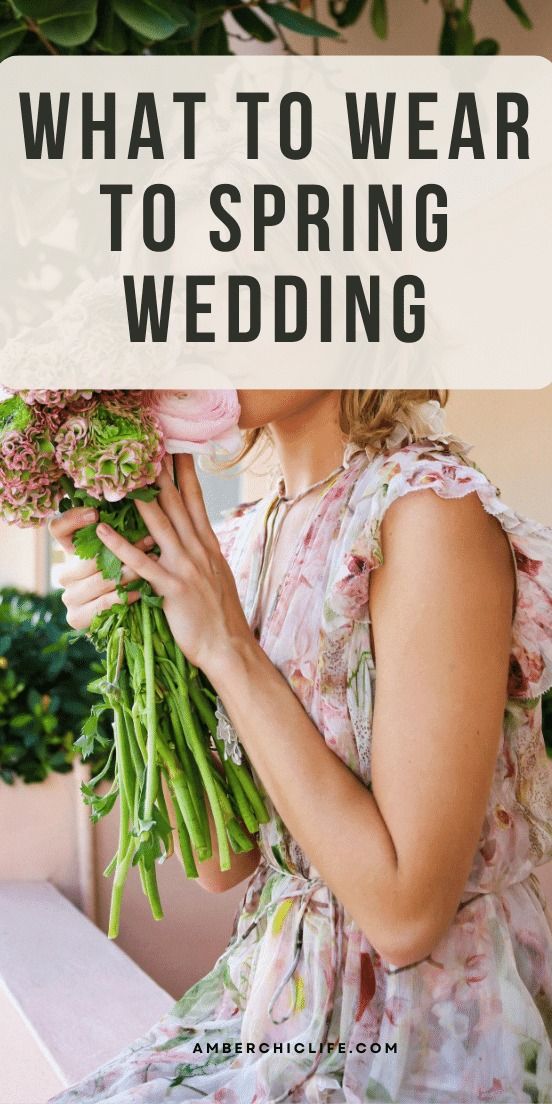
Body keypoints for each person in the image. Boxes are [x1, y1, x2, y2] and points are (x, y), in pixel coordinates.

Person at [49, 389, 552, 1104]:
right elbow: (224, 862)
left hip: (429, 1035)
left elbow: (407, 917)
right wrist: (138, 642)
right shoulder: (244, 536)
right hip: (270, 1012)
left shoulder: (426, 516)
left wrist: (225, 645)